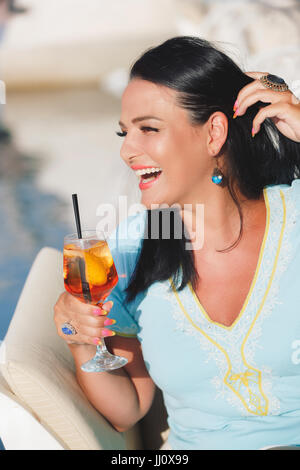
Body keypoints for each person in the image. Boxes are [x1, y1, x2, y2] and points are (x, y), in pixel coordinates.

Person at [54, 36, 300, 450]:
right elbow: (127, 408)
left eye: (149, 129)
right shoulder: (129, 250)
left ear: (214, 133)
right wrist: (80, 339)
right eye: (125, 133)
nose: (128, 151)